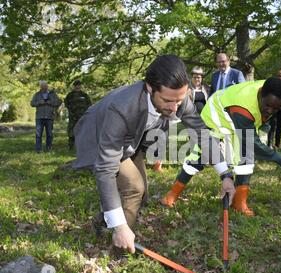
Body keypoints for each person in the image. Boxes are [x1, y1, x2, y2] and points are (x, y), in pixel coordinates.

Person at [72, 55, 235, 254]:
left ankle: (104, 219)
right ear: (150, 88)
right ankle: (120, 250)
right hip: (100, 136)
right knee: (134, 188)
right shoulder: (122, 107)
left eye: (179, 100)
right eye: (167, 100)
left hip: (133, 139)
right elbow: (106, 169)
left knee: (143, 194)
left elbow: (202, 134)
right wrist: (120, 226)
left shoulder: (178, 98)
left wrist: (225, 174)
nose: (174, 108)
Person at [161, 78, 281, 217]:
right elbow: (252, 142)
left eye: (276, 108)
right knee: (200, 156)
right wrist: (280, 159)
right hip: (215, 117)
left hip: (234, 119)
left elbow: (261, 125)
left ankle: (239, 202)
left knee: (245, 157)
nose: (270, 110)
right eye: (267, 105)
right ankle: (171, 195)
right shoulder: (243, 107)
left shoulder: (271, 88)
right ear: (261, 94)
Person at [30, 80, 62, 152]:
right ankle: (38, 149)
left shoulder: (52, 94)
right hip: (39, 117)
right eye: (43, 86)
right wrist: (39, 103)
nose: (44, 87)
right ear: (40, 87)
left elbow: (58, 102)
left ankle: (48, 148)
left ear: (47, 86)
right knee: (38, 134)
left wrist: (51, 102)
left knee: (49, 134)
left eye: (46, 86)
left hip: (49, 116)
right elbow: (32, 103)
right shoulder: (37, 94)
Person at [64, 79, 92, 150]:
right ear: (74, 86)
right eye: (76, 85)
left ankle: (82, 146)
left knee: (82, 131)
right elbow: (66, 104)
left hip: (82, 116)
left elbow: (89, 105)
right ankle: (71, 146)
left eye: (79, 85)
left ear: (81, 86)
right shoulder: (70, 95)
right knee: (71, 132)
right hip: (72, 116)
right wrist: (71, 111)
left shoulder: (84, 95)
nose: (77, 87)